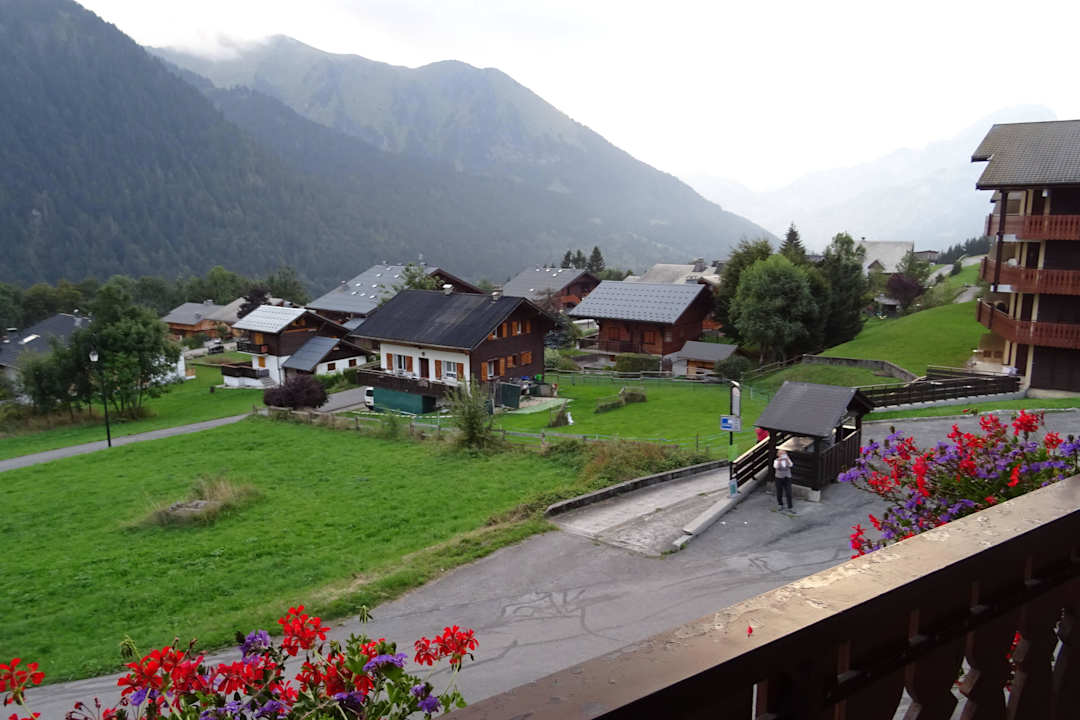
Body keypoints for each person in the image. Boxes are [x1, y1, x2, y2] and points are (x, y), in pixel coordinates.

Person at [773, 450, 795, 514]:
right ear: (778, 455)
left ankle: (790, 506)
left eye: (784, 454)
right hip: (779, 478)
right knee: (779, 491)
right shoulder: (776, 460)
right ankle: (780, 504)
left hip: (787, 477)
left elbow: (791, 465)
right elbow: (775, 467)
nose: (783, 455)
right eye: (781, 454)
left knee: (789, 492)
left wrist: (787, 459)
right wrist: (779, 460)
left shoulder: (787, 460)